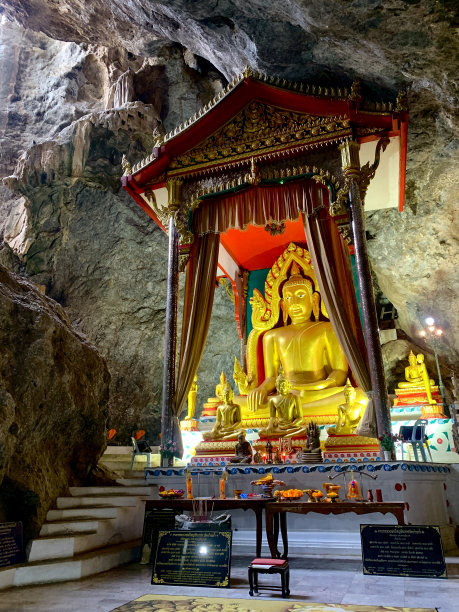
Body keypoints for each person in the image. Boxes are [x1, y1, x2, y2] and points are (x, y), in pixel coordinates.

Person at [248, 263, 349, 415]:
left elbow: (340, 372)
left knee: (358, 397)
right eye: (288, 298)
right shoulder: (272, 336)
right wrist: (261, 389)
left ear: (314, 299)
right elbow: (271, 378)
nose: (294, 303)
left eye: (300, 295)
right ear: (283, 305)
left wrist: (319, 386)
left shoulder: (327, 328)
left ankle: (290, 412)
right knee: (239, 404)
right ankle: (292, 410)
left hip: (318, 393)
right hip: (285, 396)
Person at [259, 366, 307, 438]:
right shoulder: (273, 400)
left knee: (305, 429)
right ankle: (287, 435)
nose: (282, 387)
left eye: (284, 384)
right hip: (280, 428)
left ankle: (285, 435)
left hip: (292, 427)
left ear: (288, 385)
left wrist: (291, 425)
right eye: (280, 385)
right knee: (261, 432)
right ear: (276, 386)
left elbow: (300, 417)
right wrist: (270, 426)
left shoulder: (294, 397)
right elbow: (272, 417)